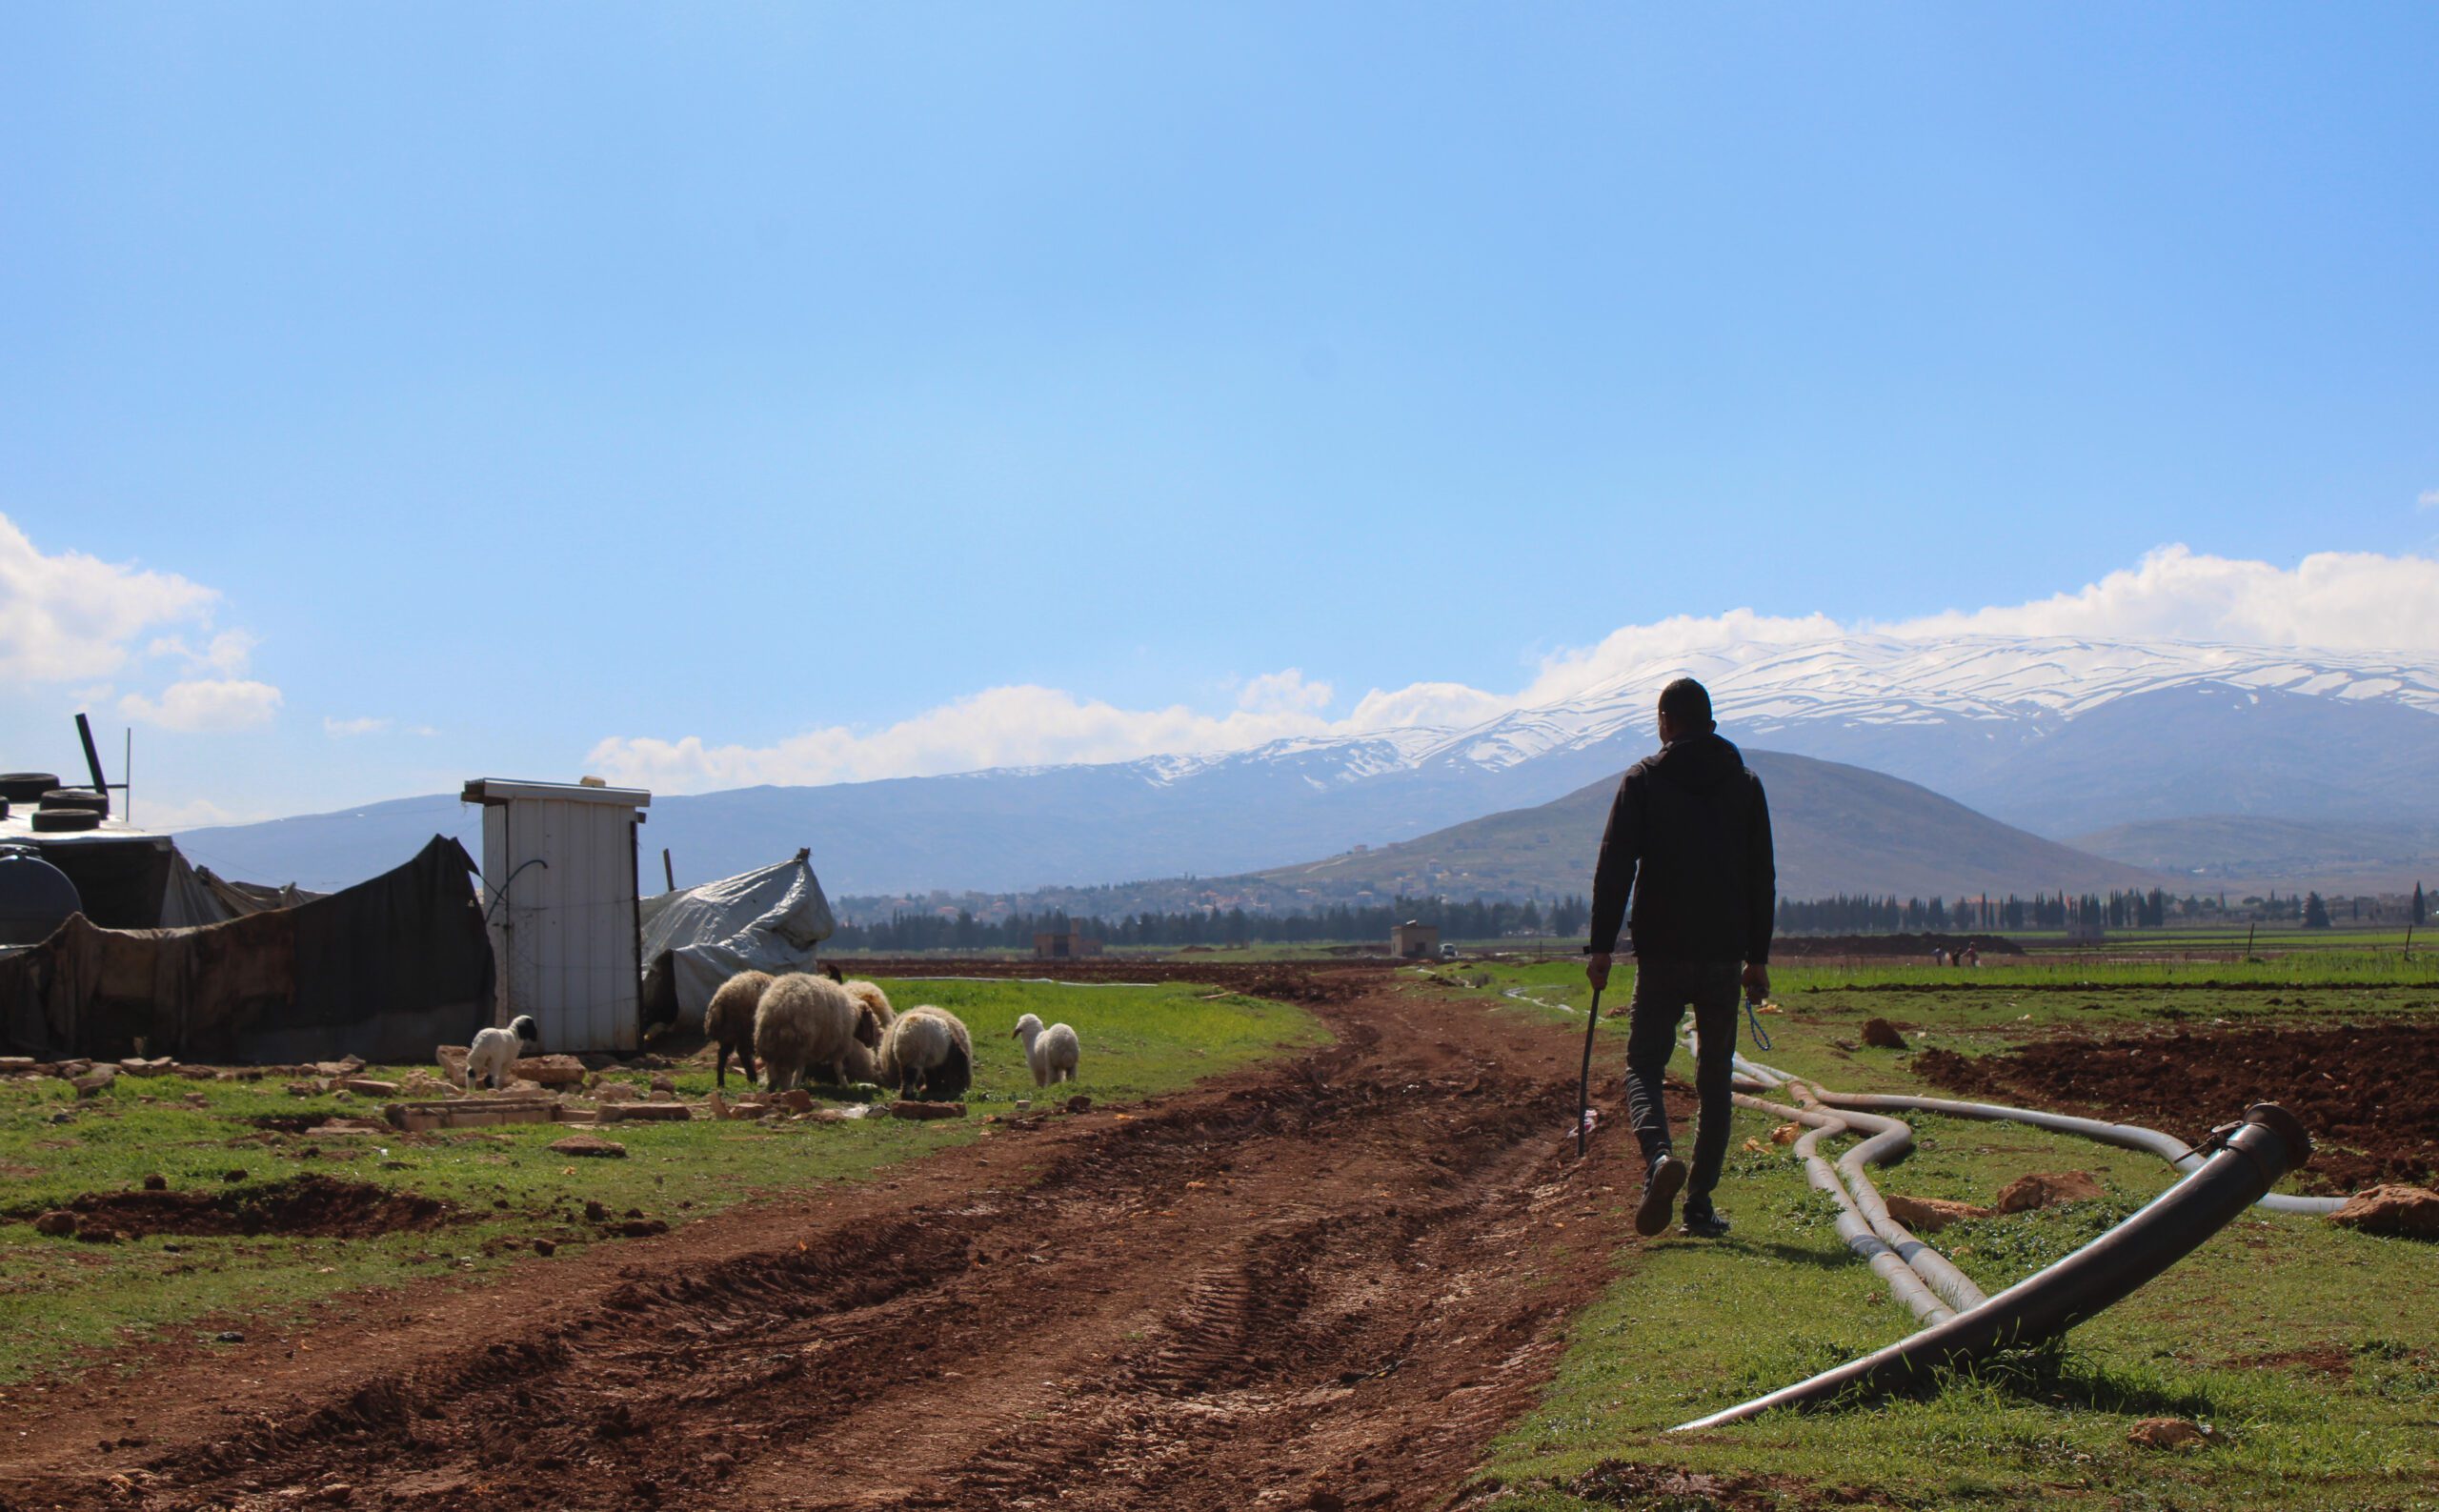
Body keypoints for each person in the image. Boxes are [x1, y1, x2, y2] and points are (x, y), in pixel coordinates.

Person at [1585, 677, 1776, 1240]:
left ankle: (1658, 1160)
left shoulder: (1643, 781)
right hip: (1722, 955)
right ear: (1711, 724)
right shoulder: (1744, 784)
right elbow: (1760, 876)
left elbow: (1614, 868)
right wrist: (1757, 958)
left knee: (1644, 1065)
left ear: (1665, 722)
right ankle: (1698, 1204)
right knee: (1715, 1079)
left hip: (1661, 952)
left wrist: (1601, 948)